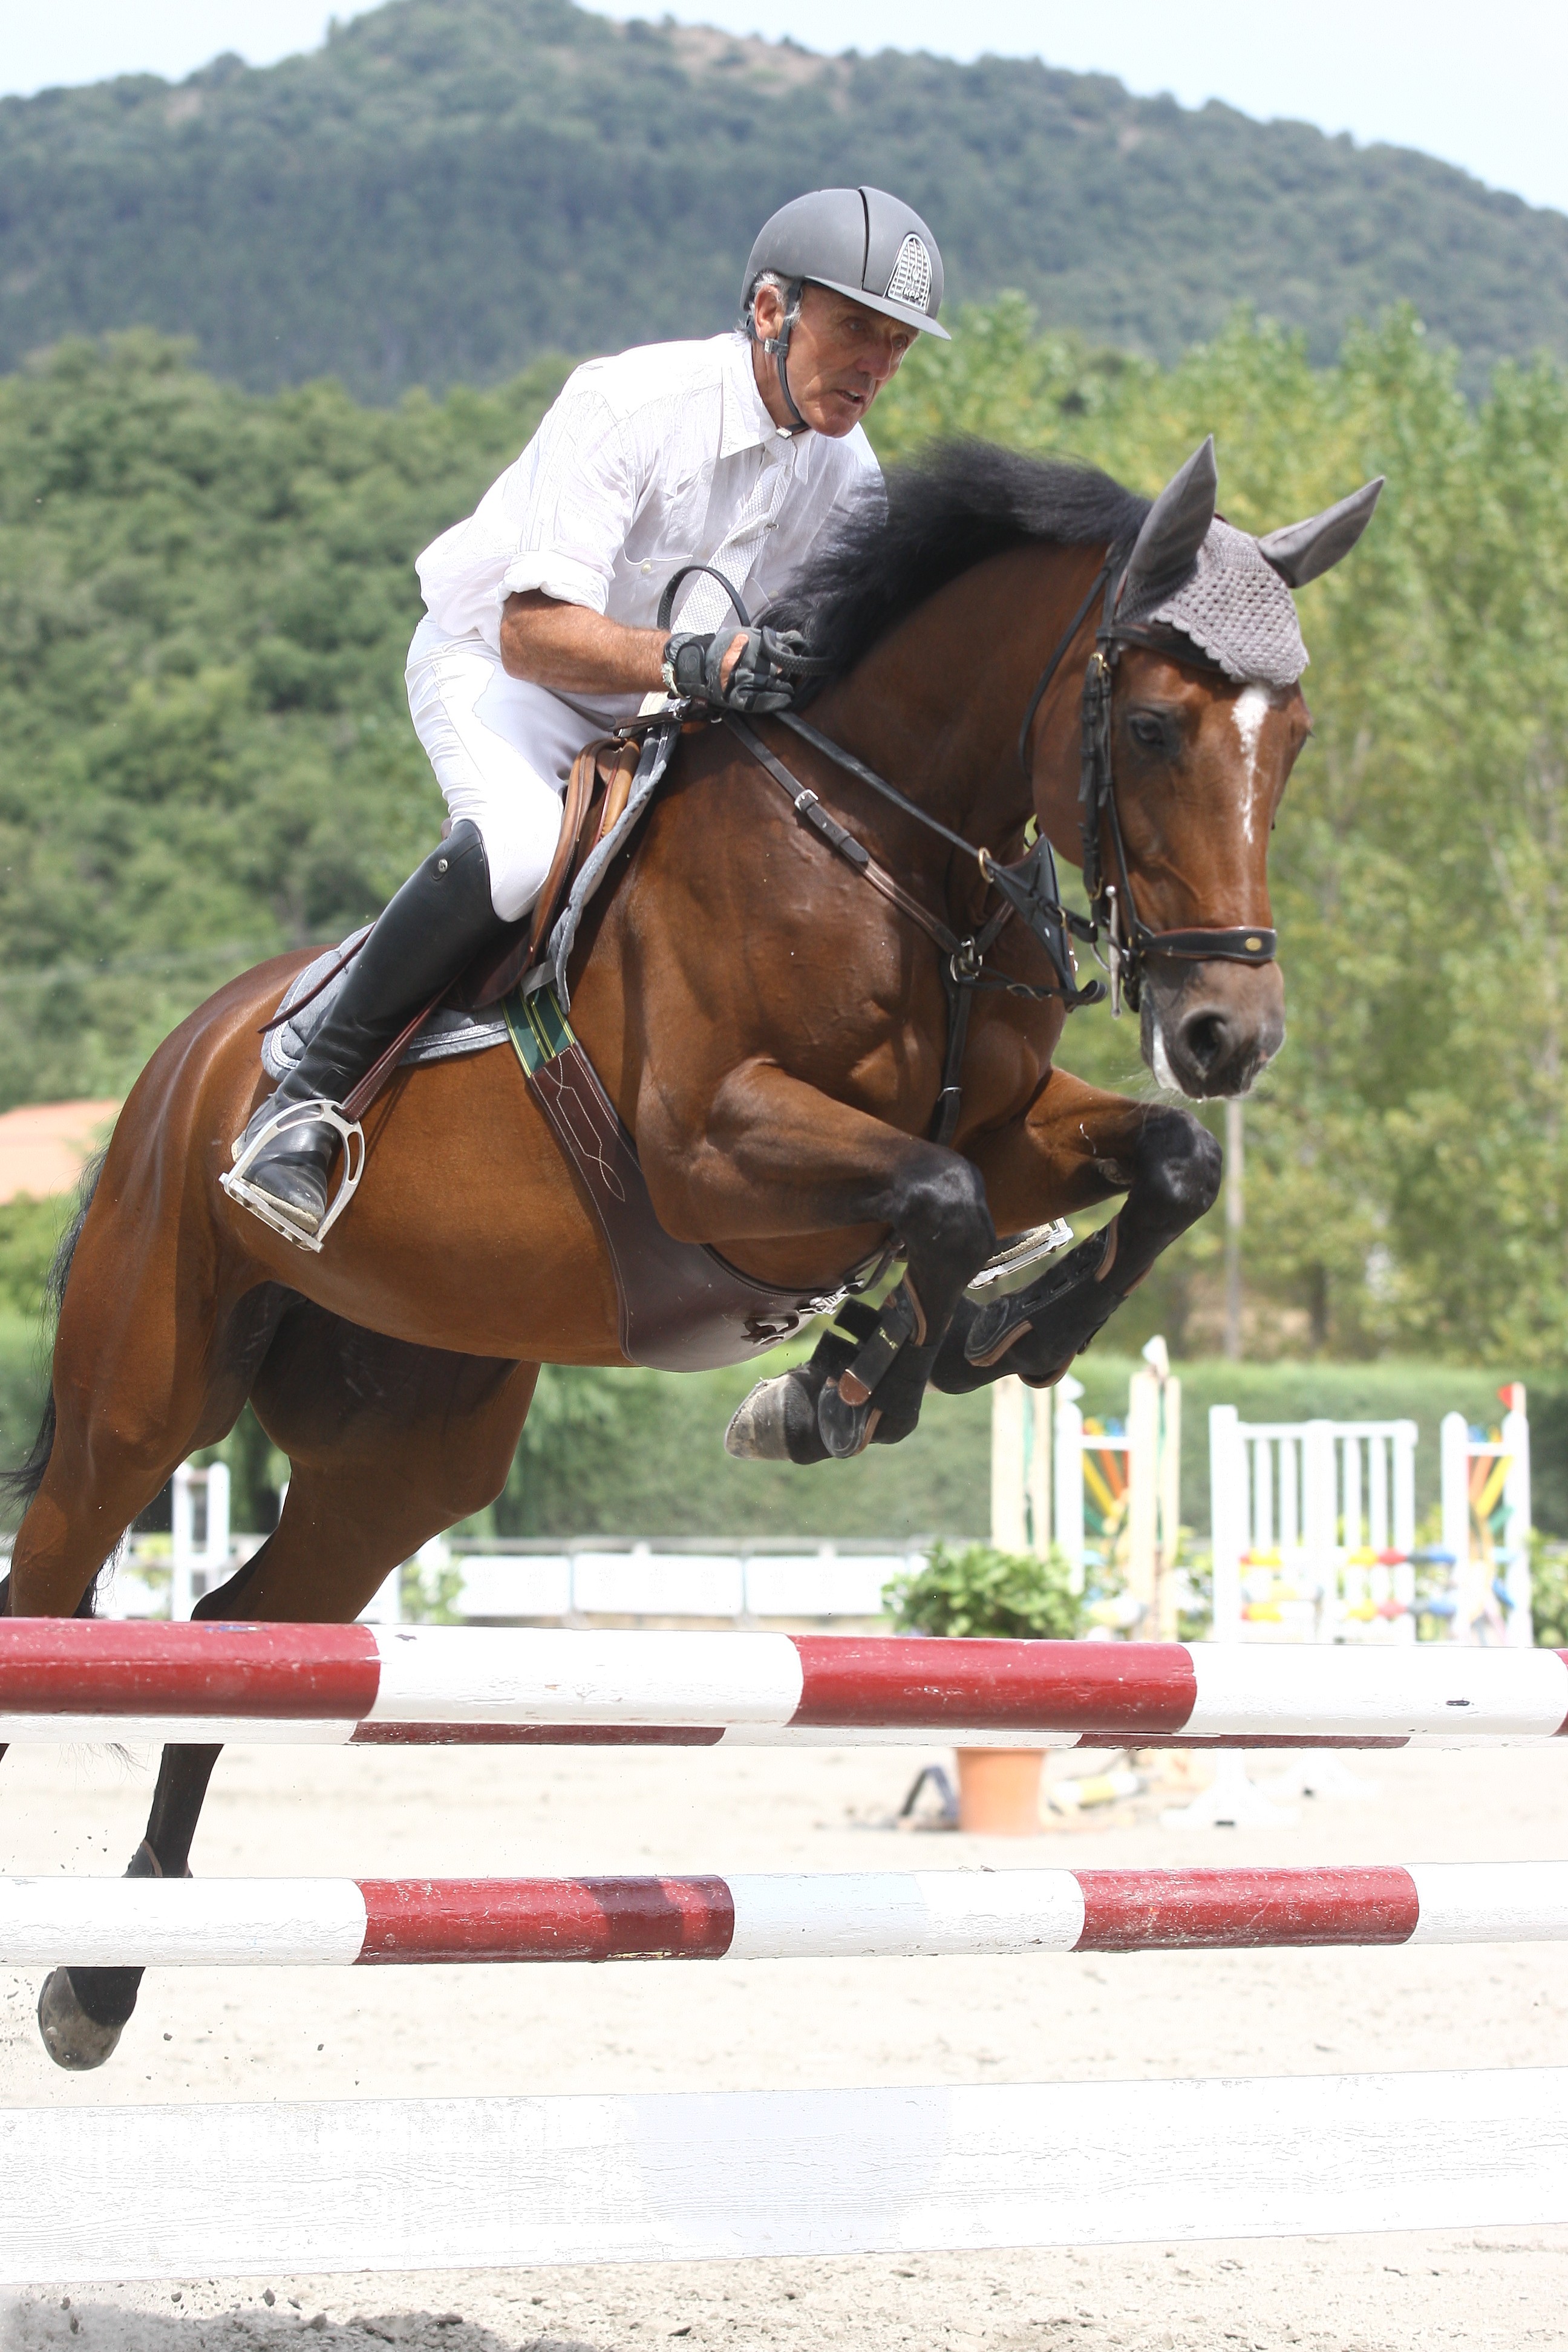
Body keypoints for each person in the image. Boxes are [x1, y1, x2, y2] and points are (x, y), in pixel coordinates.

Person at [226, 185, 950, 1245]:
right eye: (854, 330)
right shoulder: (629, 404)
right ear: (768, 310)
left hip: (658, 711)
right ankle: (302, 1105)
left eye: (895, 346)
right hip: (505, 674)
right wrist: (696, 659)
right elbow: (532, 633)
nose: (875, 368)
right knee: (520, 853)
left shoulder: (849, 478)